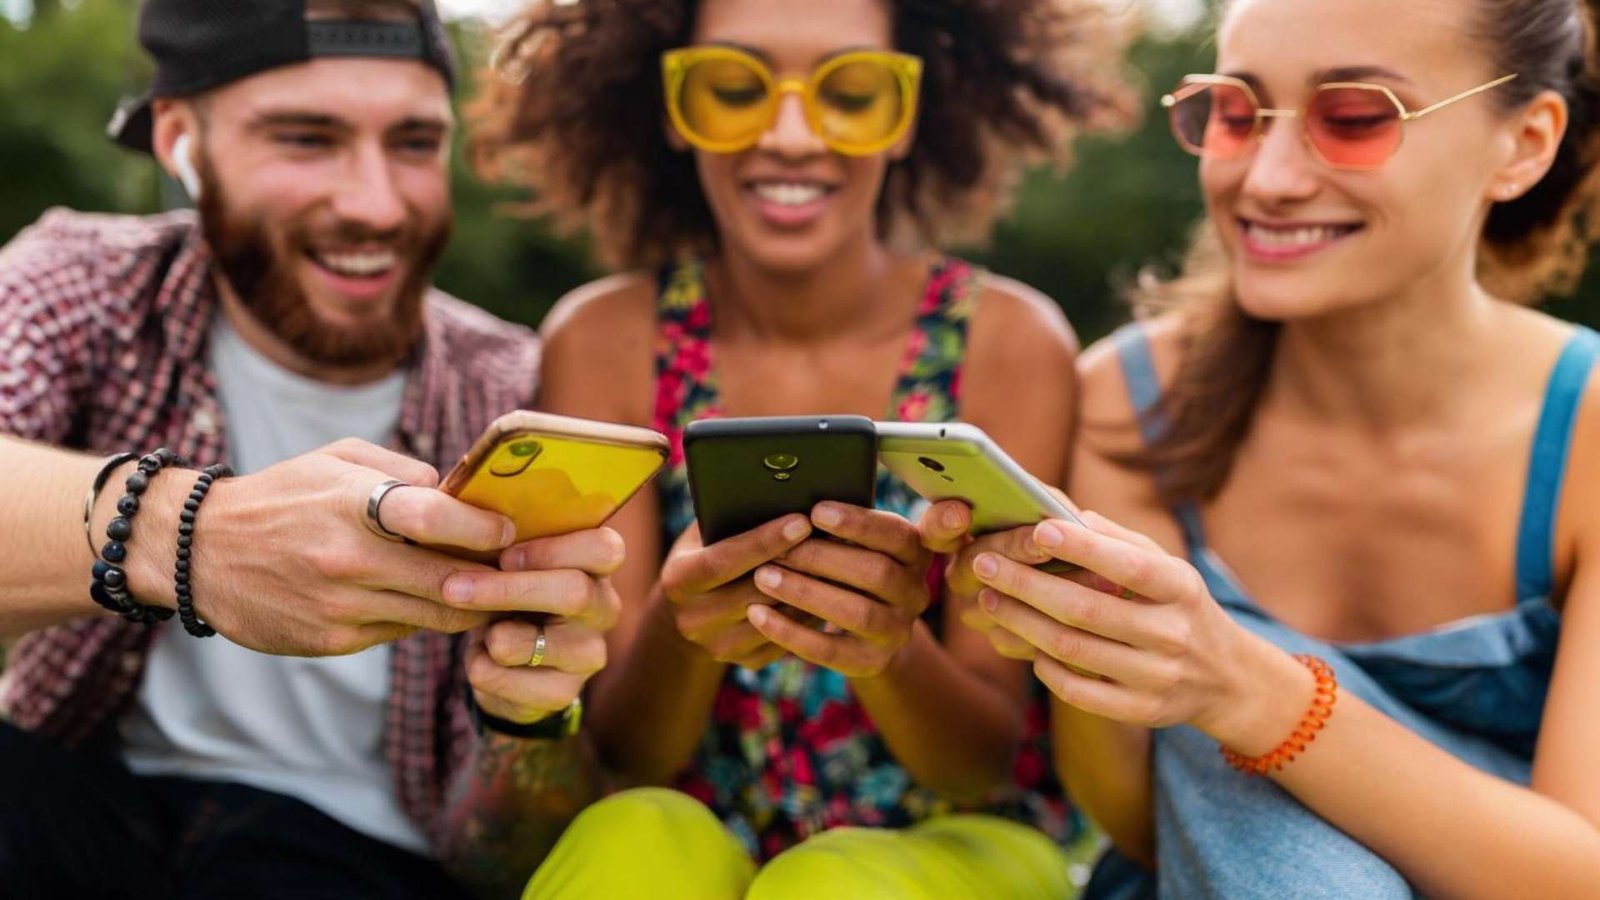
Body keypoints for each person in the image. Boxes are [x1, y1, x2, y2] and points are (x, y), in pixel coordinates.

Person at [921, 0, 1600, 895]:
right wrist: (1080, 644)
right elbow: (1148, 828)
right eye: (1236, 113)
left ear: (1524, 142)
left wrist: (1243, 687)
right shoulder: (1131, 402)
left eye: (1355, 118)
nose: (1267, 179)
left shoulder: (1584, 428)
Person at [468, 0, 1133, 895]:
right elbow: (626, 754)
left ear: (906, 121)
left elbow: (985, 763)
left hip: (957, 844)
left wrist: (888, 648)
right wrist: (681, 622)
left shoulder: (1008, 343)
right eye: (732, 89)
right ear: (674, 113)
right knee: (630, 836)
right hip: (688, 821)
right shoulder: (604, 340)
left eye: (851, 93)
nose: (788, 135)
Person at [0, 1, 617, 897]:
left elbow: (507, 861)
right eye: (306, 139)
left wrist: (531, 721)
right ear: (181, 142)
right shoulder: (84, 284)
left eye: (412, 143)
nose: (375, 203)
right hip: (84, 809)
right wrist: (198, 539)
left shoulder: (513, 393)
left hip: (364, 862)